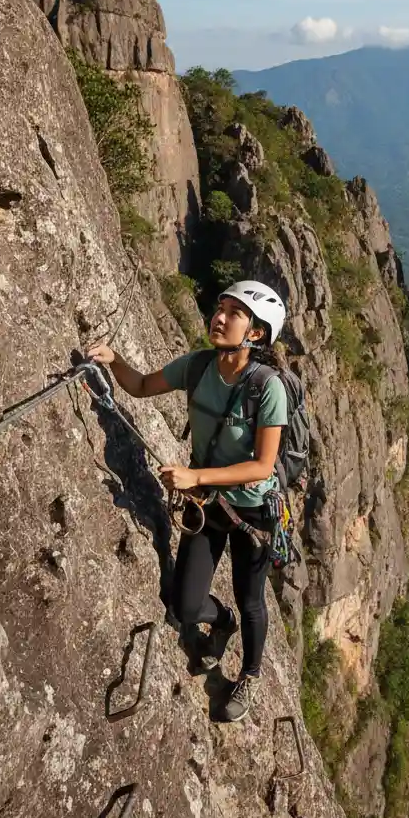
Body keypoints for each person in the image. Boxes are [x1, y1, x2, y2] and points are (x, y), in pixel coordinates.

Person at [86, 280, 288, 723]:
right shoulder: (198, 367)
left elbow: (262, 466)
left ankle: (249, 676)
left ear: (255, 333)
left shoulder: (267, 387)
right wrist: (113, 359)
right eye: (221, 307)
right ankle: (223, 621)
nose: (219, 317)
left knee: (251, 597)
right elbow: (139, 386)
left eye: (234, 313)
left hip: (253, 512)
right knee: (184, 606)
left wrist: (196, 475)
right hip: (209, 504)